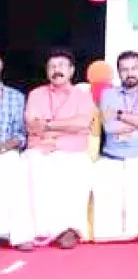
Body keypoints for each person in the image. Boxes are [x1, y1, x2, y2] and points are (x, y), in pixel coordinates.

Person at [18, 49, 97, 249]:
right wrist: (64, 127)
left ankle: (69, 230)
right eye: (52, 66)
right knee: (28, 165)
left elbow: (82, 123)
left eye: (61, 66)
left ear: (71, 71)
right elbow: (33, 125)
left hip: (72, 151)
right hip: (40, 149)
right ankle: (36, 230)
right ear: (47, 71)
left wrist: (49, 126)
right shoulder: (36, 94)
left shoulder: (82, 96)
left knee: (80, 168)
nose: (56, 70)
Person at [92, 51, 138, 241]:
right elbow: (110, 127)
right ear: (118, 72)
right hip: (112, 156)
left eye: (133, 68)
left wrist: (120, 114)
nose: (130, 73)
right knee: (104, 183)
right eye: (124, 69)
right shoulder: (108, 95)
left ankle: (130, 233)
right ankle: (108, 233)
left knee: (137, 189)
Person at [0, 53, 29, 250]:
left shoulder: (16, 97)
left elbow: (21, 134)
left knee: (13, 165)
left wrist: (3, 147)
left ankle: (18, 235)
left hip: (6, 149)